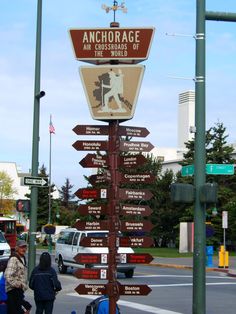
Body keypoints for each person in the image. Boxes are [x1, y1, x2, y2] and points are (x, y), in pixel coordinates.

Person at [4, 240, 31, 314]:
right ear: (17, 248)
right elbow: (7, 275)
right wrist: (18, 285)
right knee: (24, 309)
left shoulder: (21, 258)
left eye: (25, 247)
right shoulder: (13, 259)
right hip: (13, 291)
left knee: (24, 309)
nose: (24, 249)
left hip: (18, 291)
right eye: (22, 247)